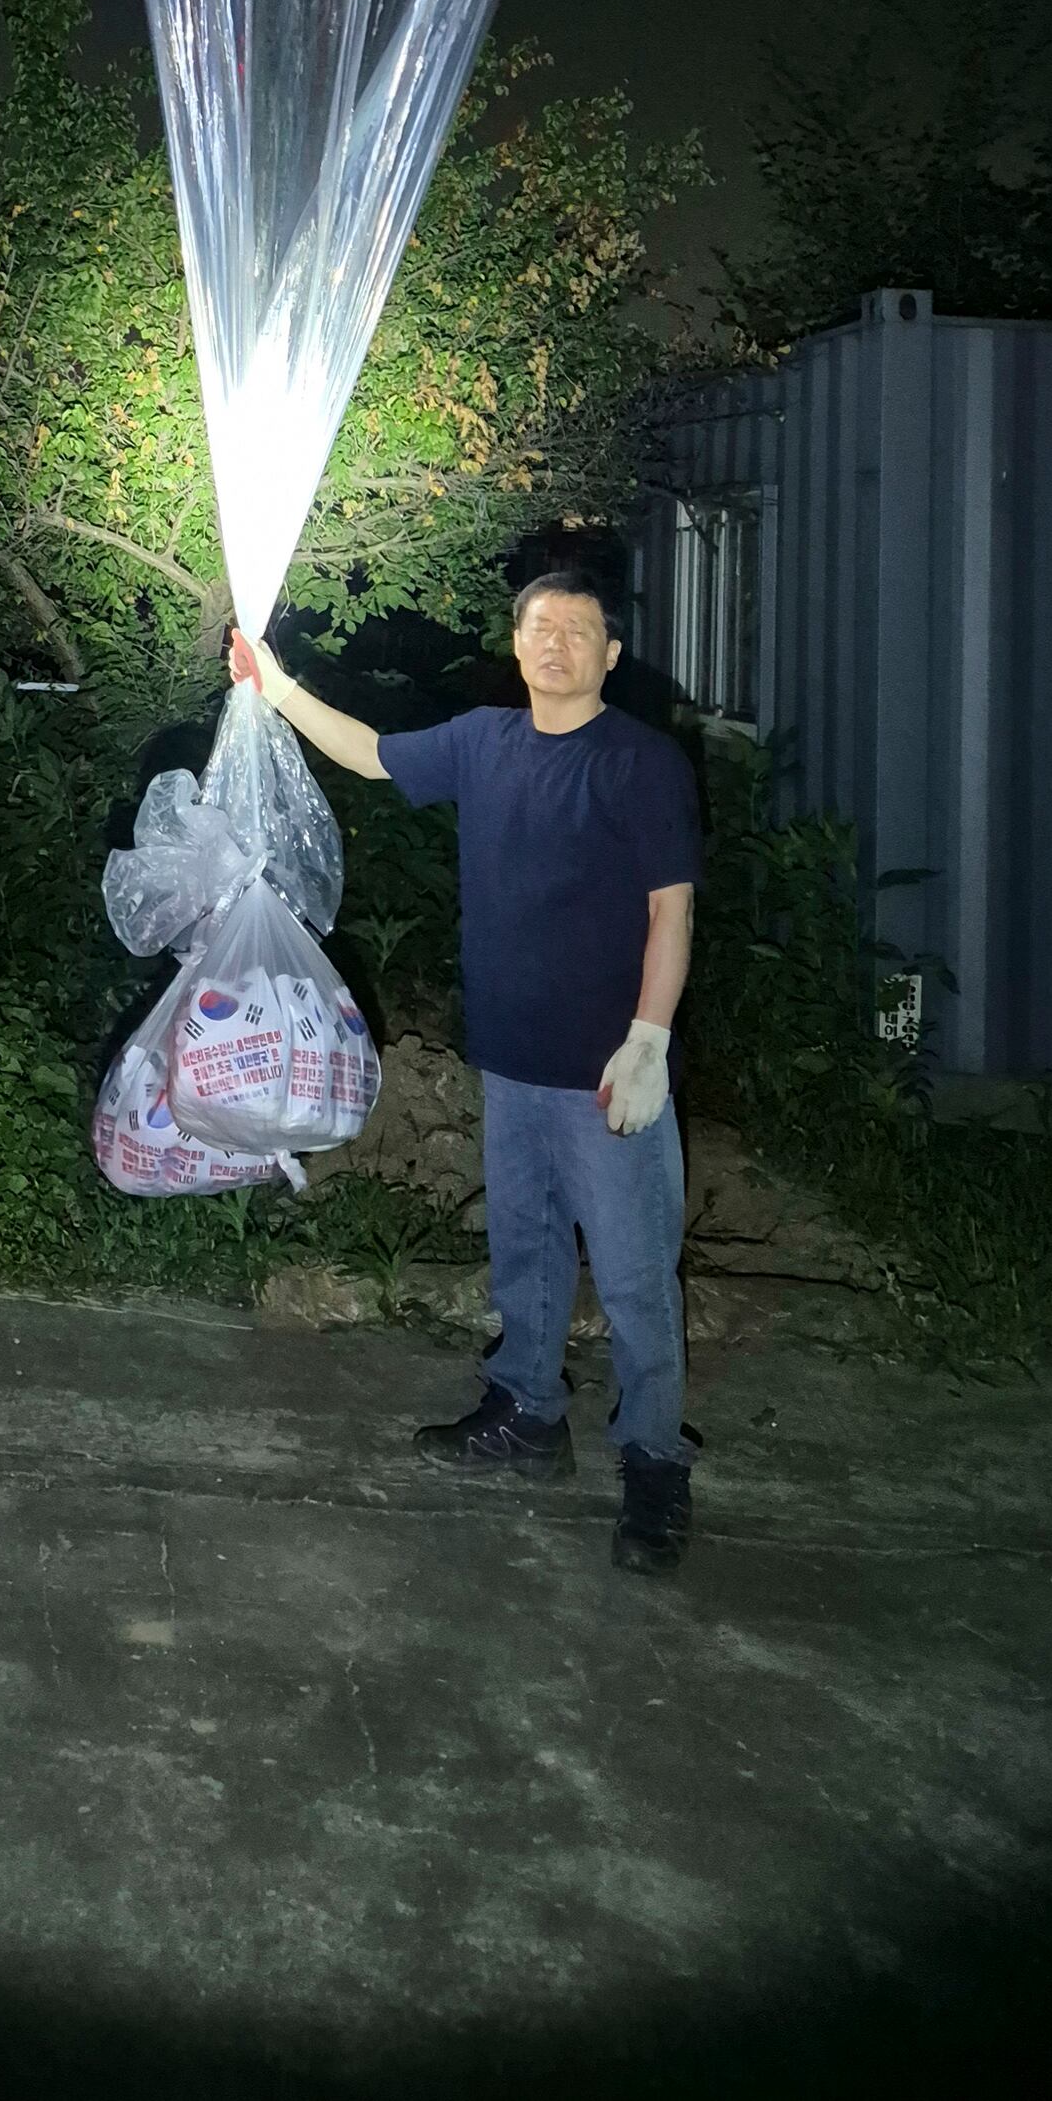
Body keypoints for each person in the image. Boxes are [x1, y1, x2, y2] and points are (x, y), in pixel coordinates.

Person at [232, 567, 704, 1575]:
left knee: (630, 1278)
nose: (555, 643)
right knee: (525, 1258)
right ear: (516, 641)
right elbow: (365, 755)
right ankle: (528, 1416)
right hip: (510, 1060)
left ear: (609, 655)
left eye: (578, 631)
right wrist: (273, 687)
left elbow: (671, 908)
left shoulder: (639, 762)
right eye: (539, 627)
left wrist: (649, 1039)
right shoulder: (483, 742)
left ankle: (654, 1461)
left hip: (607, 1074)